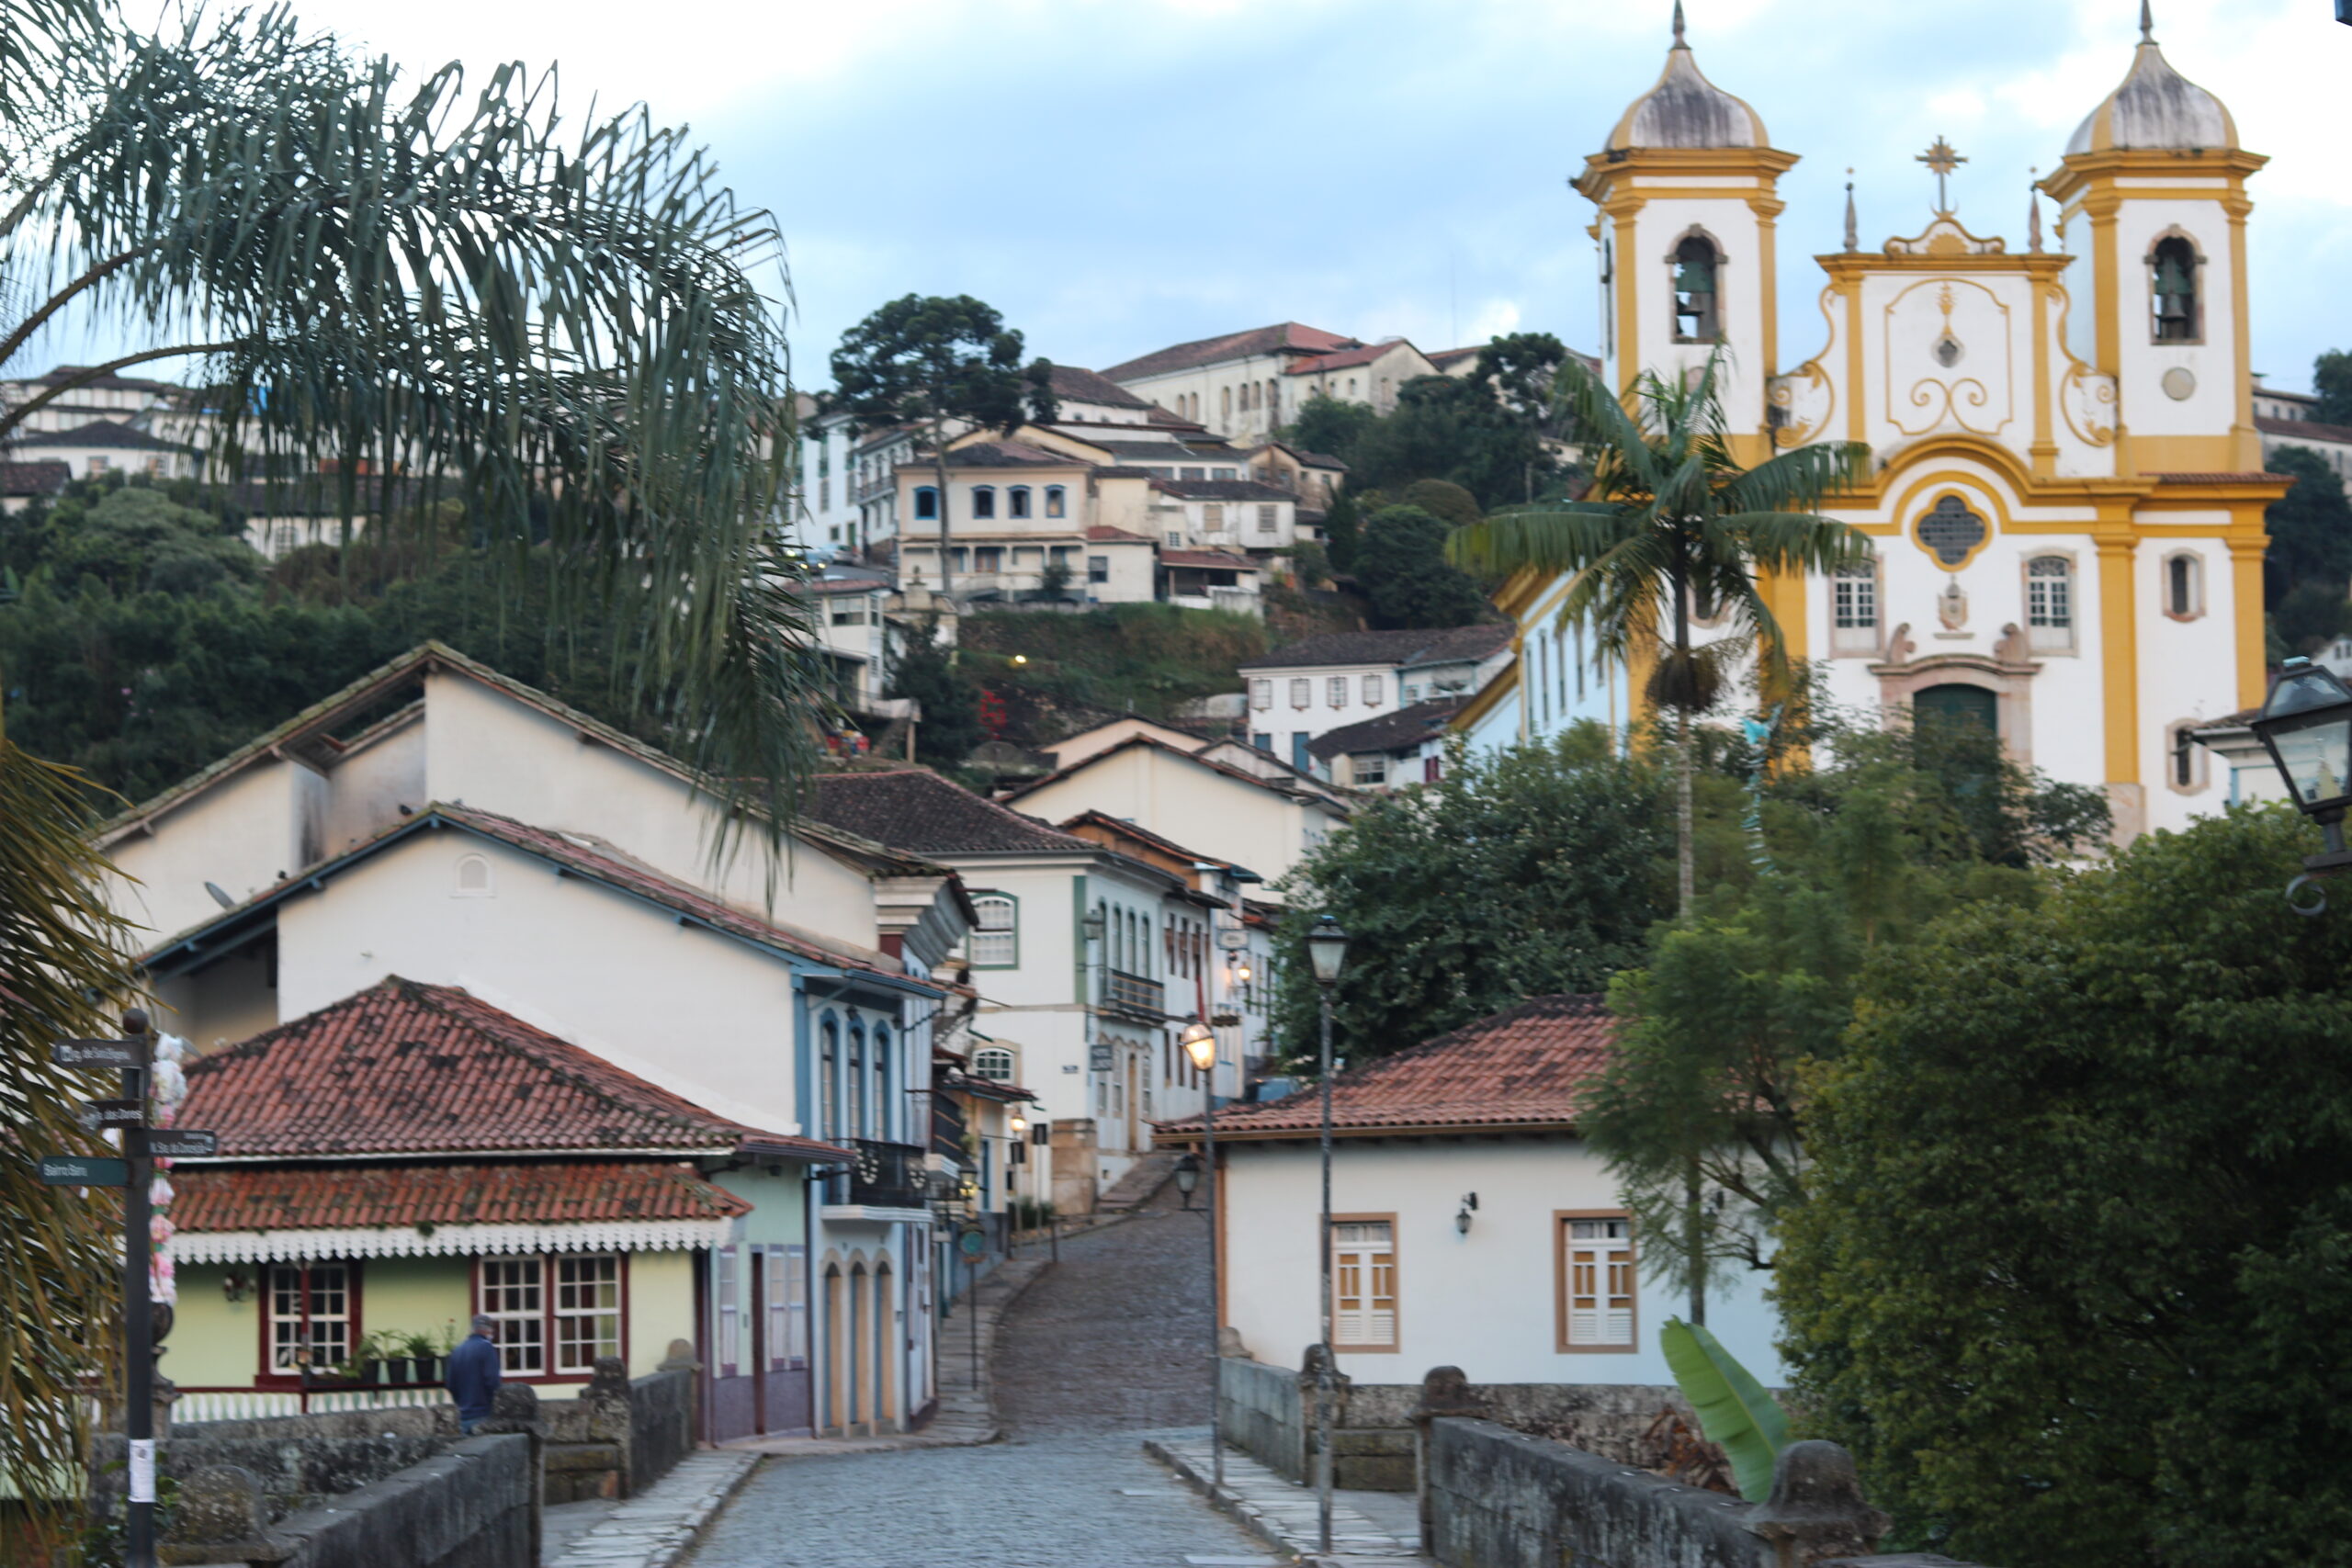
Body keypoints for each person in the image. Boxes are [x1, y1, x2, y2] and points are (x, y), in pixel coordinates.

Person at [444, 1314, 503, 1434]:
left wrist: (460, 1402)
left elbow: (450, 1383)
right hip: (483, 1412)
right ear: (488, 1330)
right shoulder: (486, 1348)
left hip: (463, 1414)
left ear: (472, 1329)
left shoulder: (457, 1350)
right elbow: (492, 1380)